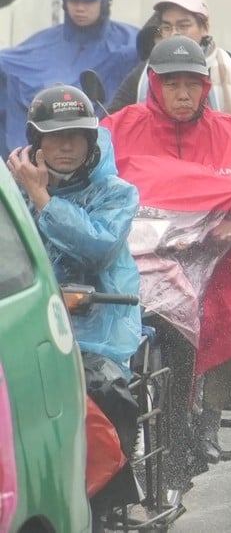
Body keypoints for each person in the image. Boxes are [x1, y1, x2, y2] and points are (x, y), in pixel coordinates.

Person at [102, 36, 231, 478]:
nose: (181, 94)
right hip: (139, 253)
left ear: (206, 86)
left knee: (219, 307)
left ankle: (204, 422)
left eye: (191, 84)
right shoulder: (118, 127)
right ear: (153, 84)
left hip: (211, 255)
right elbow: (96, 180)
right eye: (171, 83)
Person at [5, 84, 142, 505]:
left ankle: (110, 498)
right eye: (54, 136)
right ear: (35, 143)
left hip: (94, 332)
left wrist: (41, 197)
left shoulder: (117, 193)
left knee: (107, 391)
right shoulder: (10, 194)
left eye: (76, 136)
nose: (65, 145)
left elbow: (97, 247)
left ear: (90, 142)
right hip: (24, 325)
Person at [108, 0, 231, 154]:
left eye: (183, 26)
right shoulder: (143, 73)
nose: (174, 34)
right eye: (166, 27)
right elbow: (112, 130)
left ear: (205, 27)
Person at [0, 0, 139, 154]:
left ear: (105, 1)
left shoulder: (131, 45)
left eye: (89, 1)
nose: (80, 8)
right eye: (73, 1)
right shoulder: (42, 43)